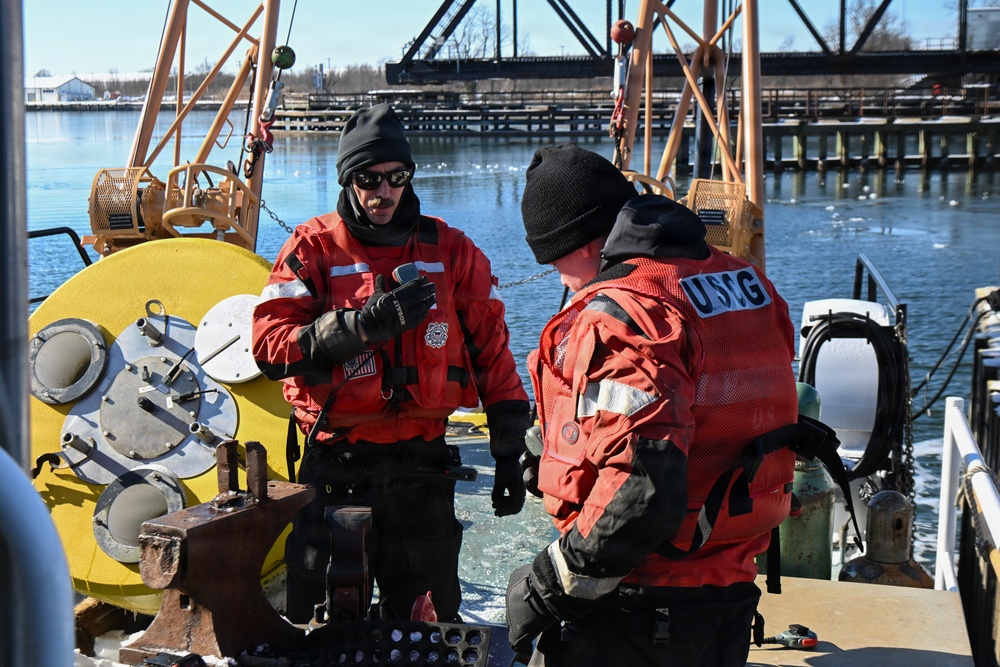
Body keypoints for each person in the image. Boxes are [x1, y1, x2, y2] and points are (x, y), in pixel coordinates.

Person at [505, 143, 800, 666]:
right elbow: (710, 408)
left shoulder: (622, 315)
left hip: (643, 609)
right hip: (728, 589)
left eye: (554, 260)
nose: (560, 279)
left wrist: (545, 586)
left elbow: (644, 491)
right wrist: (555, 450)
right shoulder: (743, 280)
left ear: (579, 242)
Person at [252, 103, 530, 624]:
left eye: (396, 177)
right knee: (319, 626)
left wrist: (509, 452)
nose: (384, 192)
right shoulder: (311, 249)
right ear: (348, 179)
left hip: (422, 474)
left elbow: (493, 353)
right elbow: (268, 346)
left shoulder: (450, 250)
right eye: (368, 178)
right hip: (336, 473)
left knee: (427, 626)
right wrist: (359, 328)